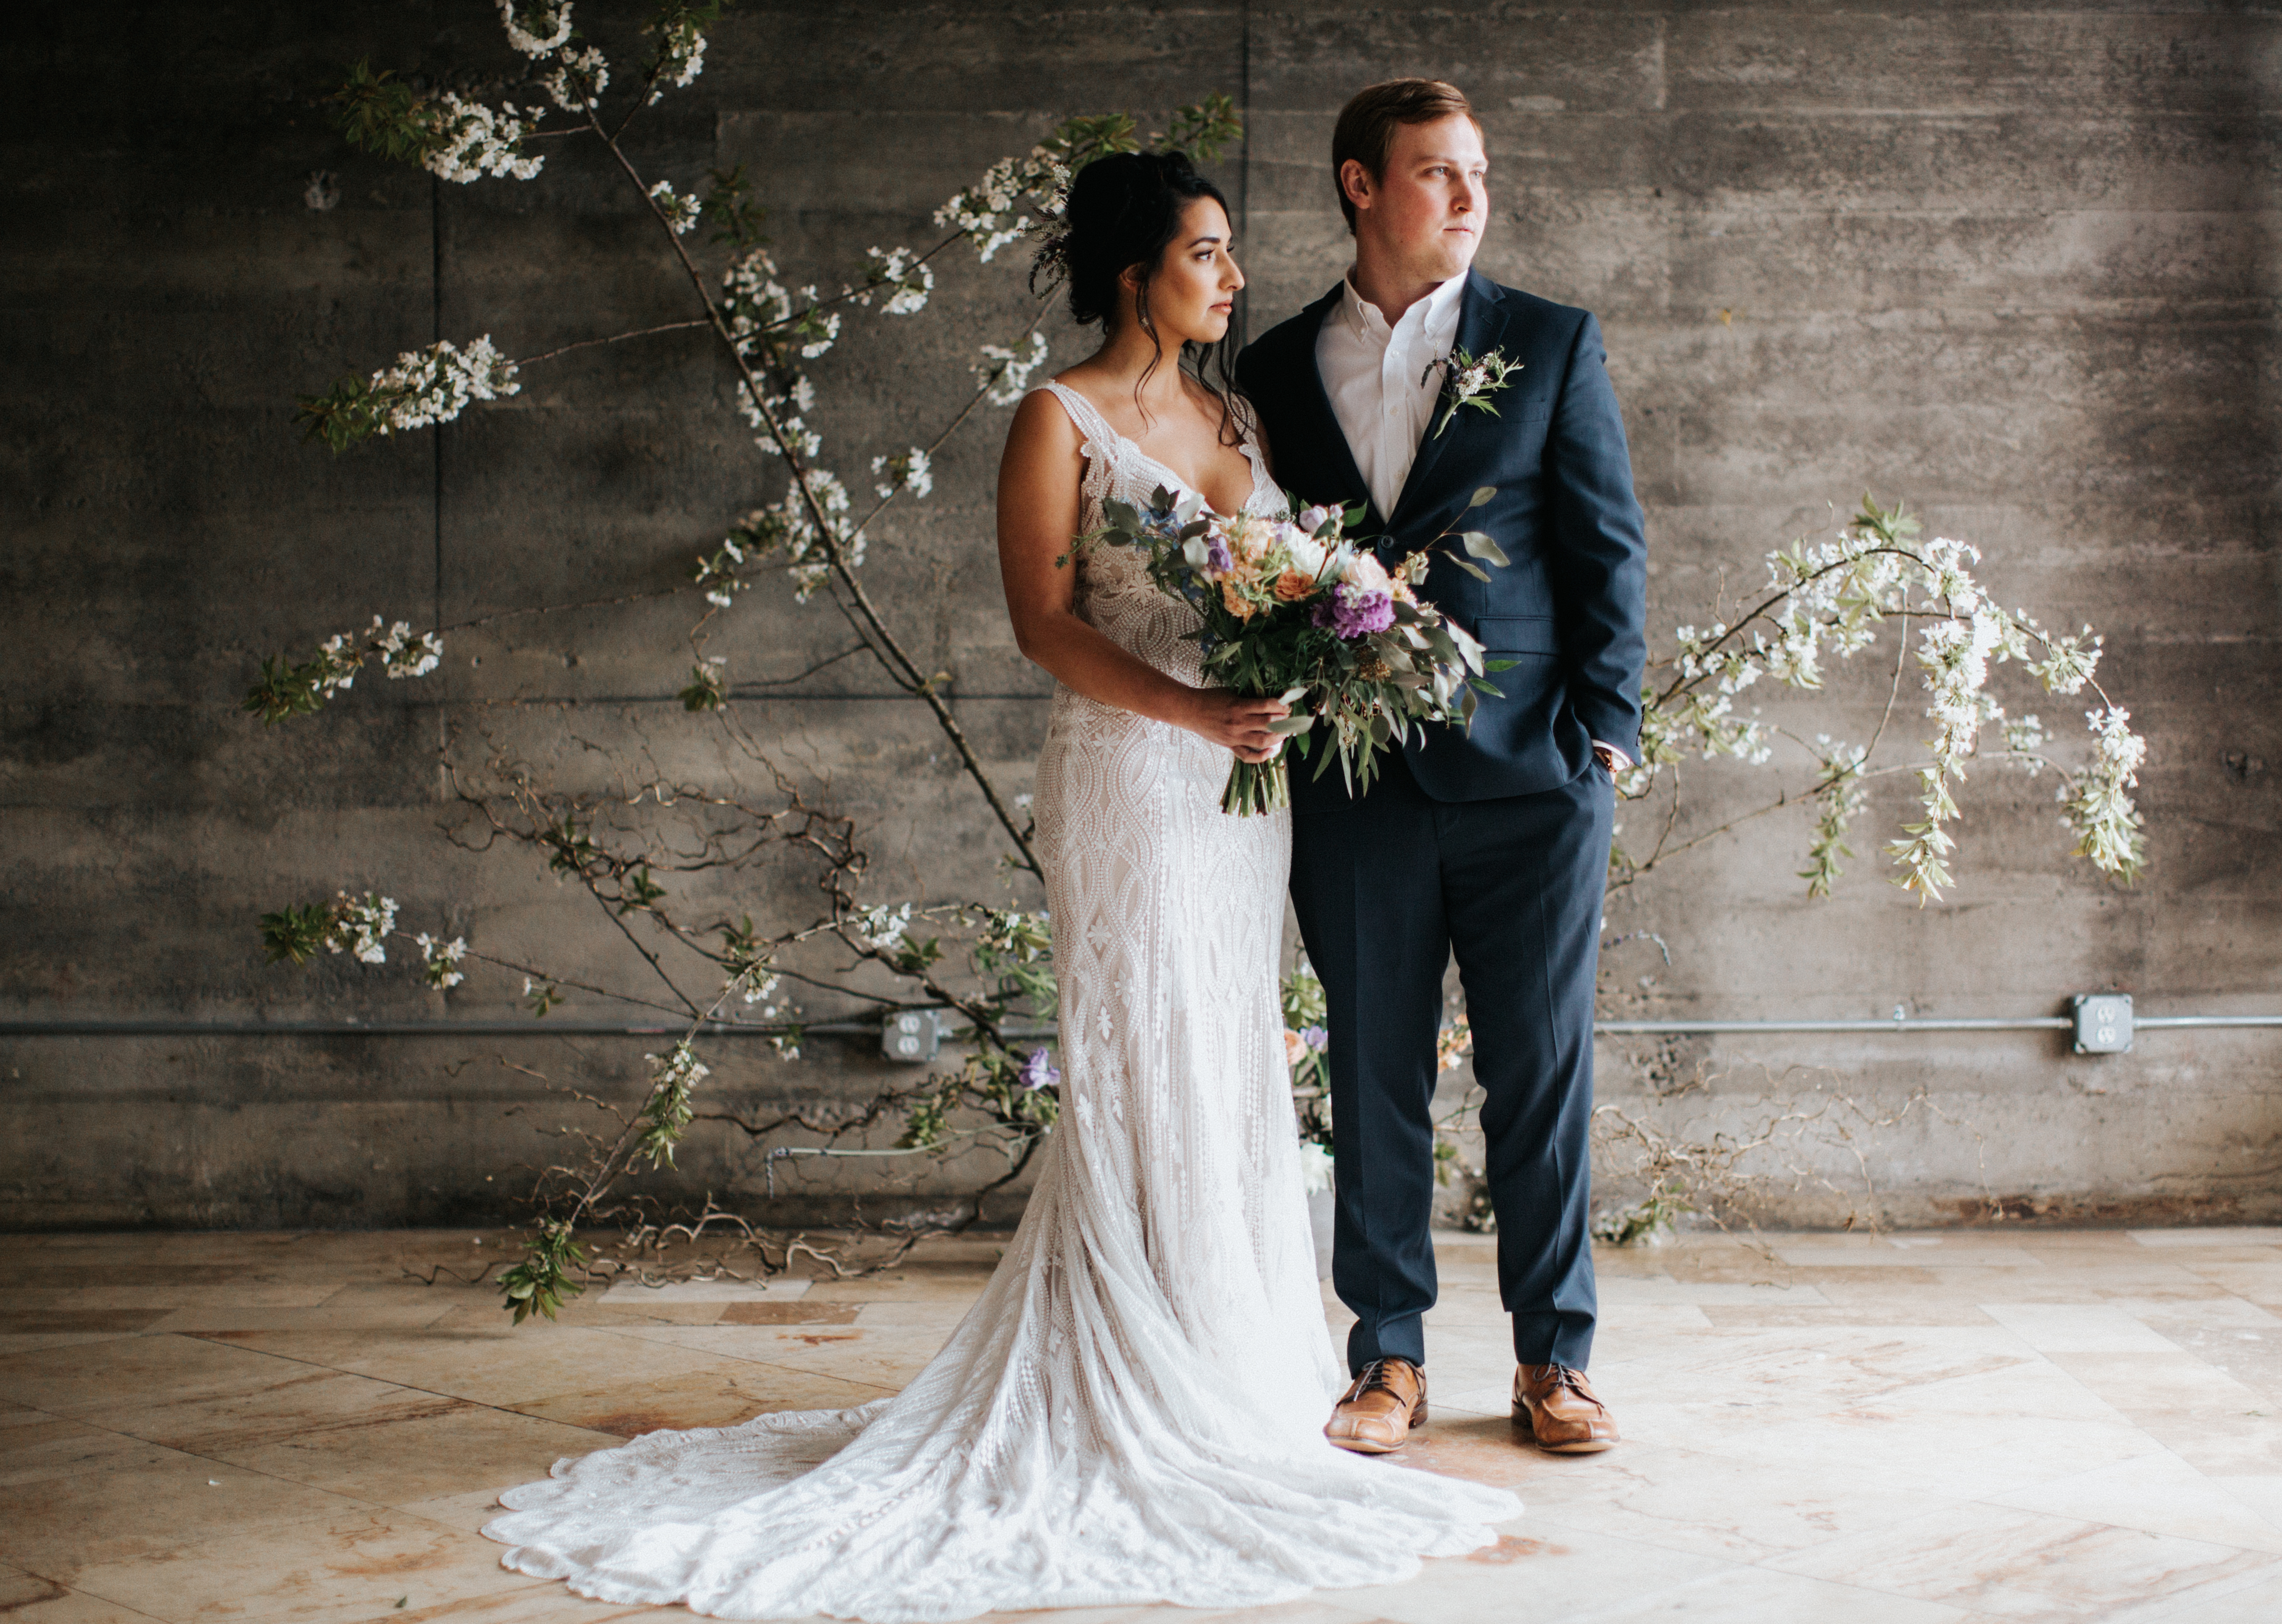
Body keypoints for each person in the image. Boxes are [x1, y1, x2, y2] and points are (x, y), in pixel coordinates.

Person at [481, 148, 1520, 1624]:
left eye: (1229, 254)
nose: (1232, 278)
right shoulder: (1058, 418)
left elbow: (1280, 572)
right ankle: (1125, 1363)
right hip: (1132, 772)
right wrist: (1198, 713)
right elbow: (1042, 623)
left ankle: (1232, 1354)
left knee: (1225, 1038)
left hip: (1243, 789)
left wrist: (1310, 645)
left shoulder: (1233, 409)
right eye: (1206, 256)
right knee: (1142, 1043)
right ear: (1133, 274)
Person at [1236, 78, 1648, 1458]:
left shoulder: (1550, 342)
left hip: (1534, 783)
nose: (1469, 198)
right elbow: (1261, 567)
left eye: (1477, 172)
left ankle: (1555, 1361)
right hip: (1357, 789)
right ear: (1360, 186)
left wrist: (1606, 733)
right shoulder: (1277, 368)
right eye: (1436, 174)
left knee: (1541, 1077)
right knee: (1372, 1076)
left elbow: (1607, 549)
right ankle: (1387, 1355)